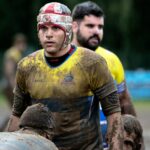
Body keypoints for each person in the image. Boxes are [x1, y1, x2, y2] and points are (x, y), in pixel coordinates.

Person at [6, 2, 123, 150]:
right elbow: (17, 115)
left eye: (55, 28)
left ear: (67, 31)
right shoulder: (26, 66)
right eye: (43, 28)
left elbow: (114, 113)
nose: (48, 34)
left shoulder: (93, 63)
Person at [72, 1, 136, 148]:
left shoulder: (112, 60)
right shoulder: (59, 59)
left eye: (100, 27)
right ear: (74, 26)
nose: (96, 31)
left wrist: (136, 137)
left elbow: (124, 99)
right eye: (90, 26)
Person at [3, 33, 27, 107]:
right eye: (23, 43)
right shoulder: (13, 53)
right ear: (17, 43)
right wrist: (14, 88)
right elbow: (9, 72)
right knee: (17, 110)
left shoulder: (17, 53)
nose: (24, 46)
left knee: (16, 111)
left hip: (10, 85)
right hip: (10, 85)